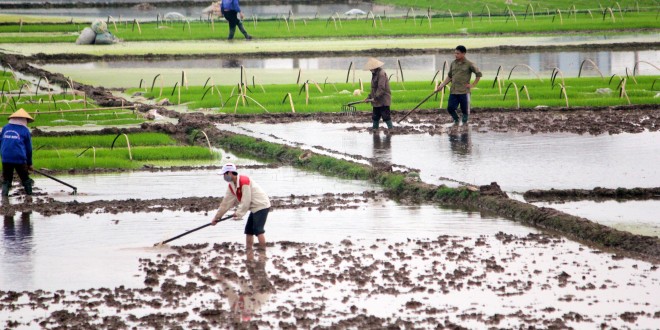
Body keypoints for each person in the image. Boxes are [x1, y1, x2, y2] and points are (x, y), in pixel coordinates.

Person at [212, 163, 271, 250]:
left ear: (230, 173)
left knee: (258, 230)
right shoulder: (232, 185)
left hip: (261, 205)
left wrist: (239, 213)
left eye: (224, 174)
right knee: (248, 231)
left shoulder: (244, 181)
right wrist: (217, 218)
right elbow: (226, 203)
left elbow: (246, 200)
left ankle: (263, 253)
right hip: (254, 208)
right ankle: (248, 251)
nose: (224, 176)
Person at [435, 45, 482, 125]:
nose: (455, 55)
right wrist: (441, 86)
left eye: (458, 53)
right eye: (455, 53)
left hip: (464, 91)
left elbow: (478, 74)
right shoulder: (453, 63)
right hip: (454, 90)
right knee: (450, 108)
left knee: (465, 111)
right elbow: (450, 76)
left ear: (463, 54)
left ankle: (465, 126)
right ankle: (456, 120)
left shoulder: (469, 64)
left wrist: (473, 85)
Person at [1, 109, 34, 197]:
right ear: (24, 120)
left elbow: (2, 142)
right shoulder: (25, 130)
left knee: (7, 179)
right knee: (25, 178)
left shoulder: (5, 128)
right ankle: (29, 196)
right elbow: (29, 148)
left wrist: (4, 156)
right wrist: (29, 163)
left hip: (6, 158)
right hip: (19, 158)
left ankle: (4, 197)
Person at [364, 57, 393, 130]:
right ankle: (375, 130)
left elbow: (381, 88)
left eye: (371, 68)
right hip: (376, 100)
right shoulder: (374, 74)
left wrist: (375, 97)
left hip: (383, 100)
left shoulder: (381, 74)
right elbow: (373, 88)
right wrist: (369, 97)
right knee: (375, 117)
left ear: (375, 67)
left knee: (386, 116)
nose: (370, 70)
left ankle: (391, 130)